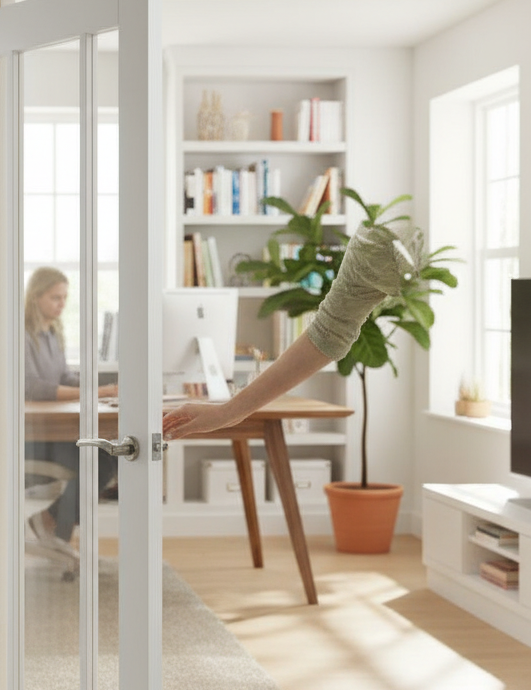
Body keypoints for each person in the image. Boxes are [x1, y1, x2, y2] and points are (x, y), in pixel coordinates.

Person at [163, 222, 420, 439]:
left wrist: (230, 412)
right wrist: (228, 412)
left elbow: (330, 333)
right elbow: (329, 333)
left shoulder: (394, 241)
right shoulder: (384, 243)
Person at [24, 266, 118, 560]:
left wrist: (101, 387)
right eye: (55, 298)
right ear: (35, 297)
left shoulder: (52, 333)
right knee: (99, 461)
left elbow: (63, 376)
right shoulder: (21, 334)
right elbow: (34, 388)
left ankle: (52, 526)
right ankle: (52, 525)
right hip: (32, 436)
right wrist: (93, 394)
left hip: (54, 431)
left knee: (108, 453)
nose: (61, 304)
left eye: (64, 298)